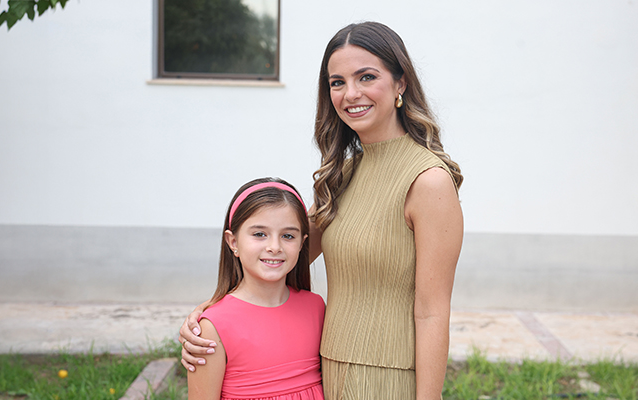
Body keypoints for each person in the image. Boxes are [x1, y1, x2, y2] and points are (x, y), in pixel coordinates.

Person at [181, 21, 463, 400]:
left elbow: (431, 312)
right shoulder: (343, 175)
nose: (351, 94)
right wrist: (207, 316)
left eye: (366, 77)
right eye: (337, 82)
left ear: (401, 84)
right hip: (326, 371)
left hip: (389, 378)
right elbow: (280, 255)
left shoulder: (428, 181)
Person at [186, 177, 325, 400]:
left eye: (288, 236)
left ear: (302, 243)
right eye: (259, 234)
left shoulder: (316, 307)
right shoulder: (212, 327)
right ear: (233, 242)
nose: (274, 247)